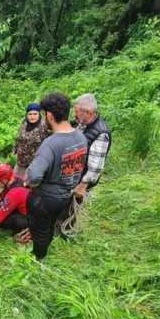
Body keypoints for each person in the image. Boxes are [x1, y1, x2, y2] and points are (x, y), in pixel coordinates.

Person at [26, 93, 87, 260]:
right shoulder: (81, 137)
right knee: (50, 226)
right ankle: (45, 249)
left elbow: (34, 177)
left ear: (50, 115)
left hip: (44, 198)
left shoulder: (51, 143)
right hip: (65, 196)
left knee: (38, 231)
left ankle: (38, 258)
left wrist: (33, 184)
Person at [57, 93, 112, 236]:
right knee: (62, 202)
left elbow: (96, 166)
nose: (74, 115)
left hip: (81, 178)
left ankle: (65, 233)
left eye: (76, 112)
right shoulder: (79, 124)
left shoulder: (100, 134)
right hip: (70, 174)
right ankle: (57, 225)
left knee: (72, 207)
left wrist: (83, 185)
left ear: (87, 112)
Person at [12, 103, 52, 179]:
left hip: (34, 163)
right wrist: (15, 149)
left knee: (27, 185)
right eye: (30, 114)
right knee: (16, 182)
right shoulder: (24, 122)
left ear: (39, 114)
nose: (32, 117)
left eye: (35, 114)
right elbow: (19, 137)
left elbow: (52, 140)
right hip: (21, 161)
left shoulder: (44, 125)